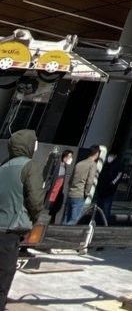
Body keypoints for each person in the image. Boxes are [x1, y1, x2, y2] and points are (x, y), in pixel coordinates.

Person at [0, 129, 46, 309]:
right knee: (3, 277)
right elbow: (35, 199)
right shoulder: (30, 166)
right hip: (11, 230)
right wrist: (34, 220)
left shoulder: (4, 166)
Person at [64, 146, 101, 225]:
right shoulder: (92, 164)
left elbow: (71, 180)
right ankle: (64, 236)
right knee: (74, 220)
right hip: (80, 194)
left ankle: (57, 231)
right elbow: (90, 181)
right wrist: (86, 193)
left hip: (71, 193)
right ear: (97, 154)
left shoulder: (79, 163)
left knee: (67, 218)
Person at [46, 150, 74, 224]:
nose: (70, 158)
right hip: (53, 194)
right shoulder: (59, 166)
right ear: (64, 157)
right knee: (49, 214)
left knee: (53, 214)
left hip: (57, 194)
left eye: (71, 157)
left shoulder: (64, 166)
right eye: (69, 156)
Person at [96, 152, 123, 225]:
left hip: (109, 191)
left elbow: (118, 177)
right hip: (101, 190)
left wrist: (112, 184)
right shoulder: (105, 164)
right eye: (109, 155)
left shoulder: (118, 166)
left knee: (106, 208)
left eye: (111, 156)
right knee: (99, 207)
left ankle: (104, 223)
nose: (109, 157)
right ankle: (97, 222)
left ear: (115, 156)